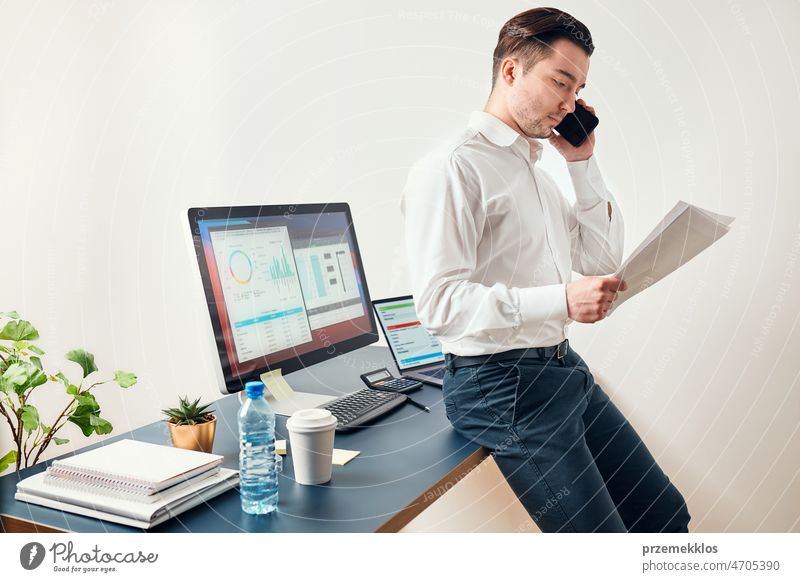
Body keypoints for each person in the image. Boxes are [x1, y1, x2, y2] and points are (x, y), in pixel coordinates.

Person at [401, 7, 690, 533]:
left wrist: (582, 163)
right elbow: (439, 305)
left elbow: (600, 262)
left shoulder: (537, 173)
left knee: (665, 515)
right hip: (500, 386)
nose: (570, 102)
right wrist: (562, 300)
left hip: (561, 369)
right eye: (561, 82)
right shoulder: (451, 169)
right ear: (511, 71)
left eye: (578, 89)